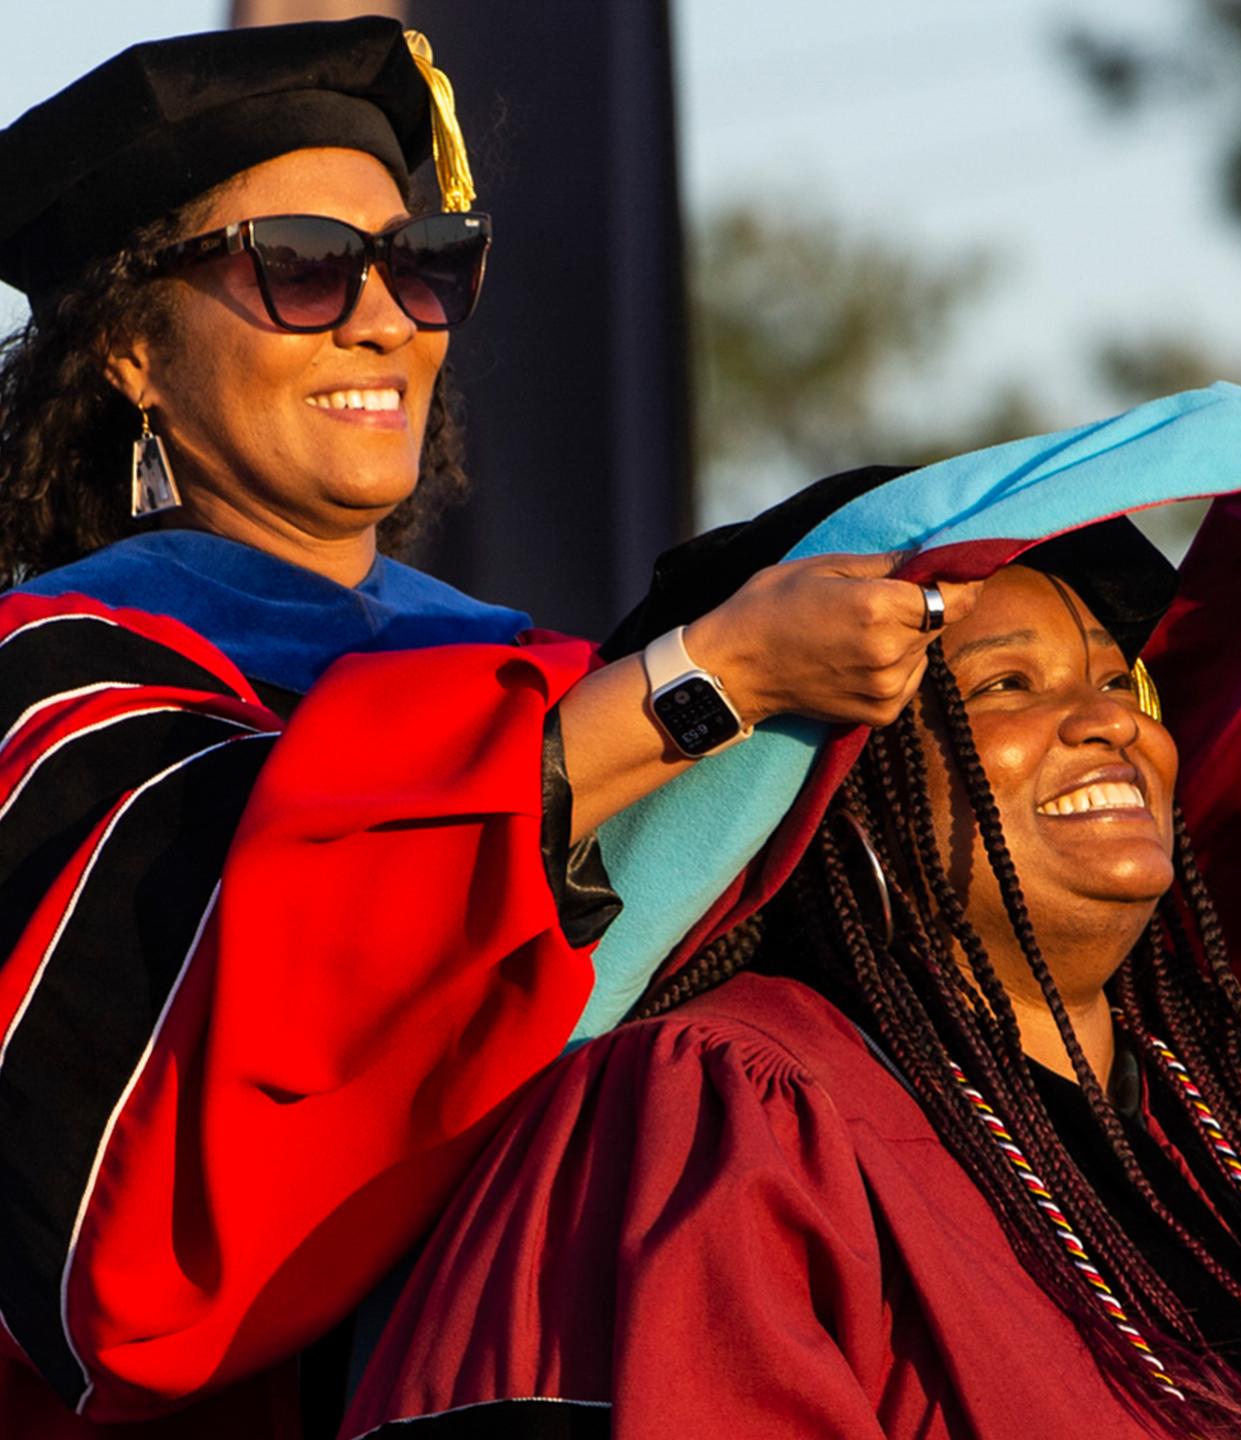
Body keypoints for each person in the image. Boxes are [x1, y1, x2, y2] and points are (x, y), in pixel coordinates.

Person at [0, 19, 981, 1439]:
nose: (386, 318)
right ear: (133, 349)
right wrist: (701, 687)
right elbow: (168, 1191)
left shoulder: (524, 666)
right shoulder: (54, 690)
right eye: (302, 267)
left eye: (421, 263)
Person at [342, 387, 1241, 1439]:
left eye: (1120, 684)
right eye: (1007, 686)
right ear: (841, 782)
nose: (1107, 724)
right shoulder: (736, 1111)